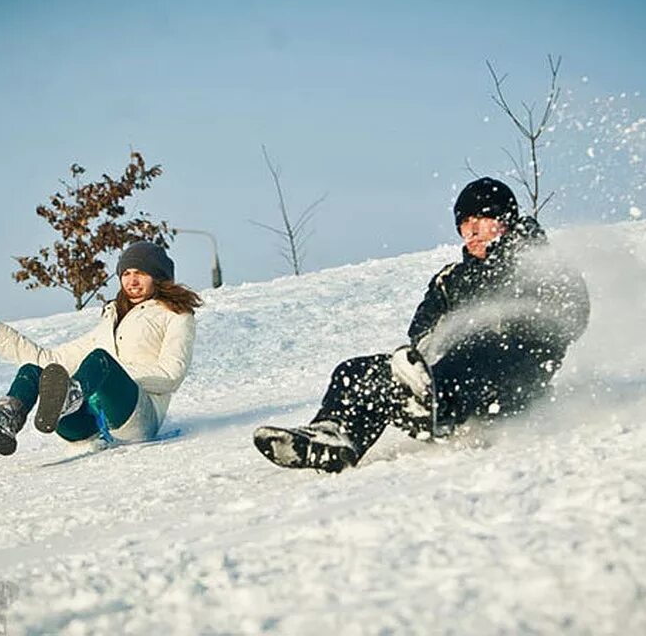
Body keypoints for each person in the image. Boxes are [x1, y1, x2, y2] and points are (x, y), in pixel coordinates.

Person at [253, 177, 590, 472]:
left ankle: (435, 407)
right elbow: (422, 333)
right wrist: (418, 363)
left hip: (513, 376)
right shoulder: (449, 280)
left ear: (505, 219)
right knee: (356, 370)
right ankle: (334, 436)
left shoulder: (540, 263)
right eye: (465, 222)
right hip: (447, 374)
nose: (471, 230)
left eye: (482, 218)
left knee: (479, 347)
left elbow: (572, 316)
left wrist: (514, 317)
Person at [0, 241, 202, 456]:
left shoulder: (176, 315)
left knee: (100, 360)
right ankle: (7, 418)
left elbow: (172, 374)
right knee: (34, 369)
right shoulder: (110, 321)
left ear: (157, 276)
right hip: (88, 426)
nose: (131, 280)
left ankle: (70, 395)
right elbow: (50, 359)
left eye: (140, 273)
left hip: (137, 417)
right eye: (125, 273)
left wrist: (112, 376)